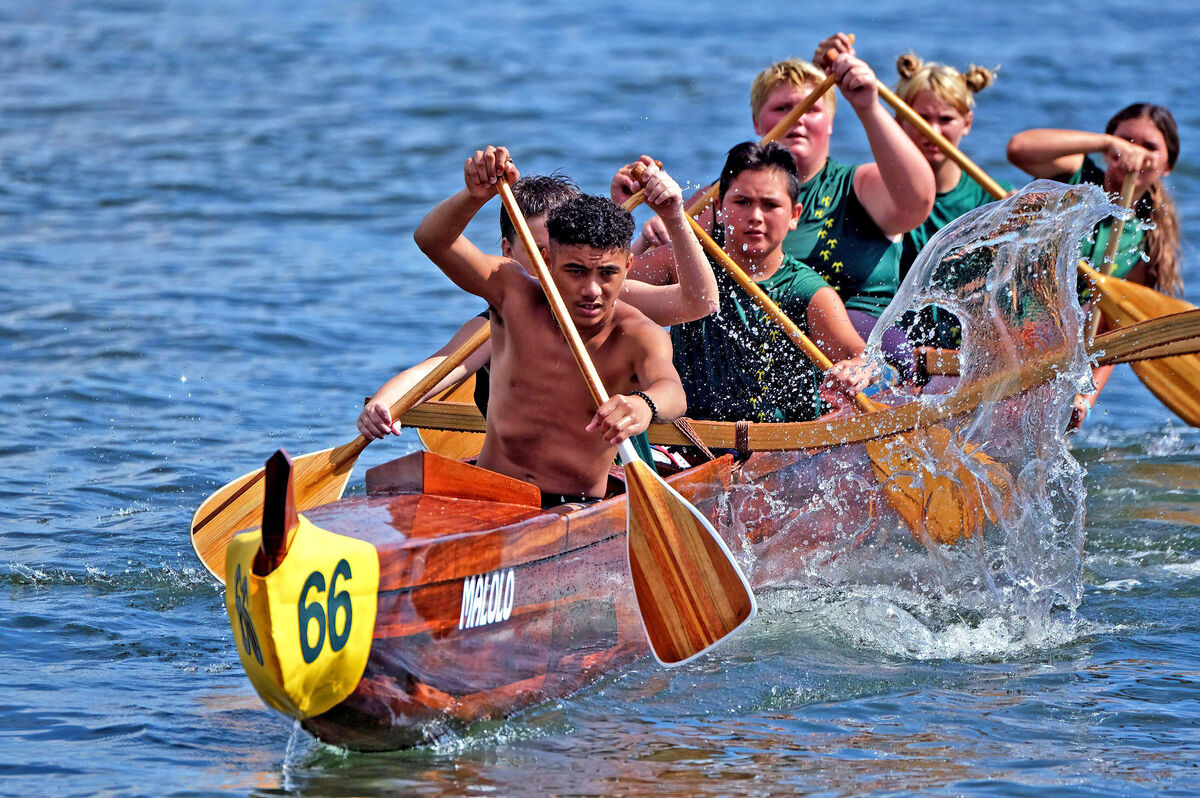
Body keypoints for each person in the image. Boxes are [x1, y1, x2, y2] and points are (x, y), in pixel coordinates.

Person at [409, 145, 691, 506]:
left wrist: (644, 406)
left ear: (627, 269)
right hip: (493, 495)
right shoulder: (512, 292)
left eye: (606, 274)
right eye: (574, 271)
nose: (591, 290)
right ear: (548, 260)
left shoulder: (637, 331)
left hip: (575, 506)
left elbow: (673, 390)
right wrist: (472, 196)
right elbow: (431, 240)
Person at [358, 161, 717, 440]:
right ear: (506, 252)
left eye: (558, 253)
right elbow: (435, 370)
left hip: (611, 475)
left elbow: (699, 303)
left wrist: (674, 217)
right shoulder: (501, 316)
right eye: (536, 251)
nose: (548, 264)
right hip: (517, 483)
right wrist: (383, 403)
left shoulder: (615, 305)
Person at [630, 34, 934, 361]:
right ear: (757, 123)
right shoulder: (718, 197)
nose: (799, 118)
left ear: (831, 122)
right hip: (757, 348)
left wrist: (868, 106)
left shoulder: (858, 184)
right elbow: (643, 274)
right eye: (783, 108)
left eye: (811, 108)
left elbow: (917, 201)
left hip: (859, 342)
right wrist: (652, 233)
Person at [633, 141, 875, 423]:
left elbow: (865, 360)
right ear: (720, 208)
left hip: (774, 448)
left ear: (794, 215)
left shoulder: (809, 292)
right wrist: (621, 208)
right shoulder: (685, 262)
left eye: (770, 205)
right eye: (743, 202)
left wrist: (857, 370)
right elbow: (607, 289)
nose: (755, 217)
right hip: (686, 435)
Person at [1007, 103, 1182, 427]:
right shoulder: (1075, 174)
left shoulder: (1145, 239)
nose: (1134, 153)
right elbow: (1018, 149)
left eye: (1149, 147)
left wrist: (1086, 398)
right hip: (1004, 319)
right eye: (1125, 140)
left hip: (1047, 351)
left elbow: (1113, 326)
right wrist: (1102, 144)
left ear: (1167, 164)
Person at [891, 52, 1013, 350]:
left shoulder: (996, 198)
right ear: (900, 120)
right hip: (898, 350)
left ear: (967, 122)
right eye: (921, 118)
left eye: (946, 119)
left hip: (966, 353)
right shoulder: (878, 193)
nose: (933, 132)